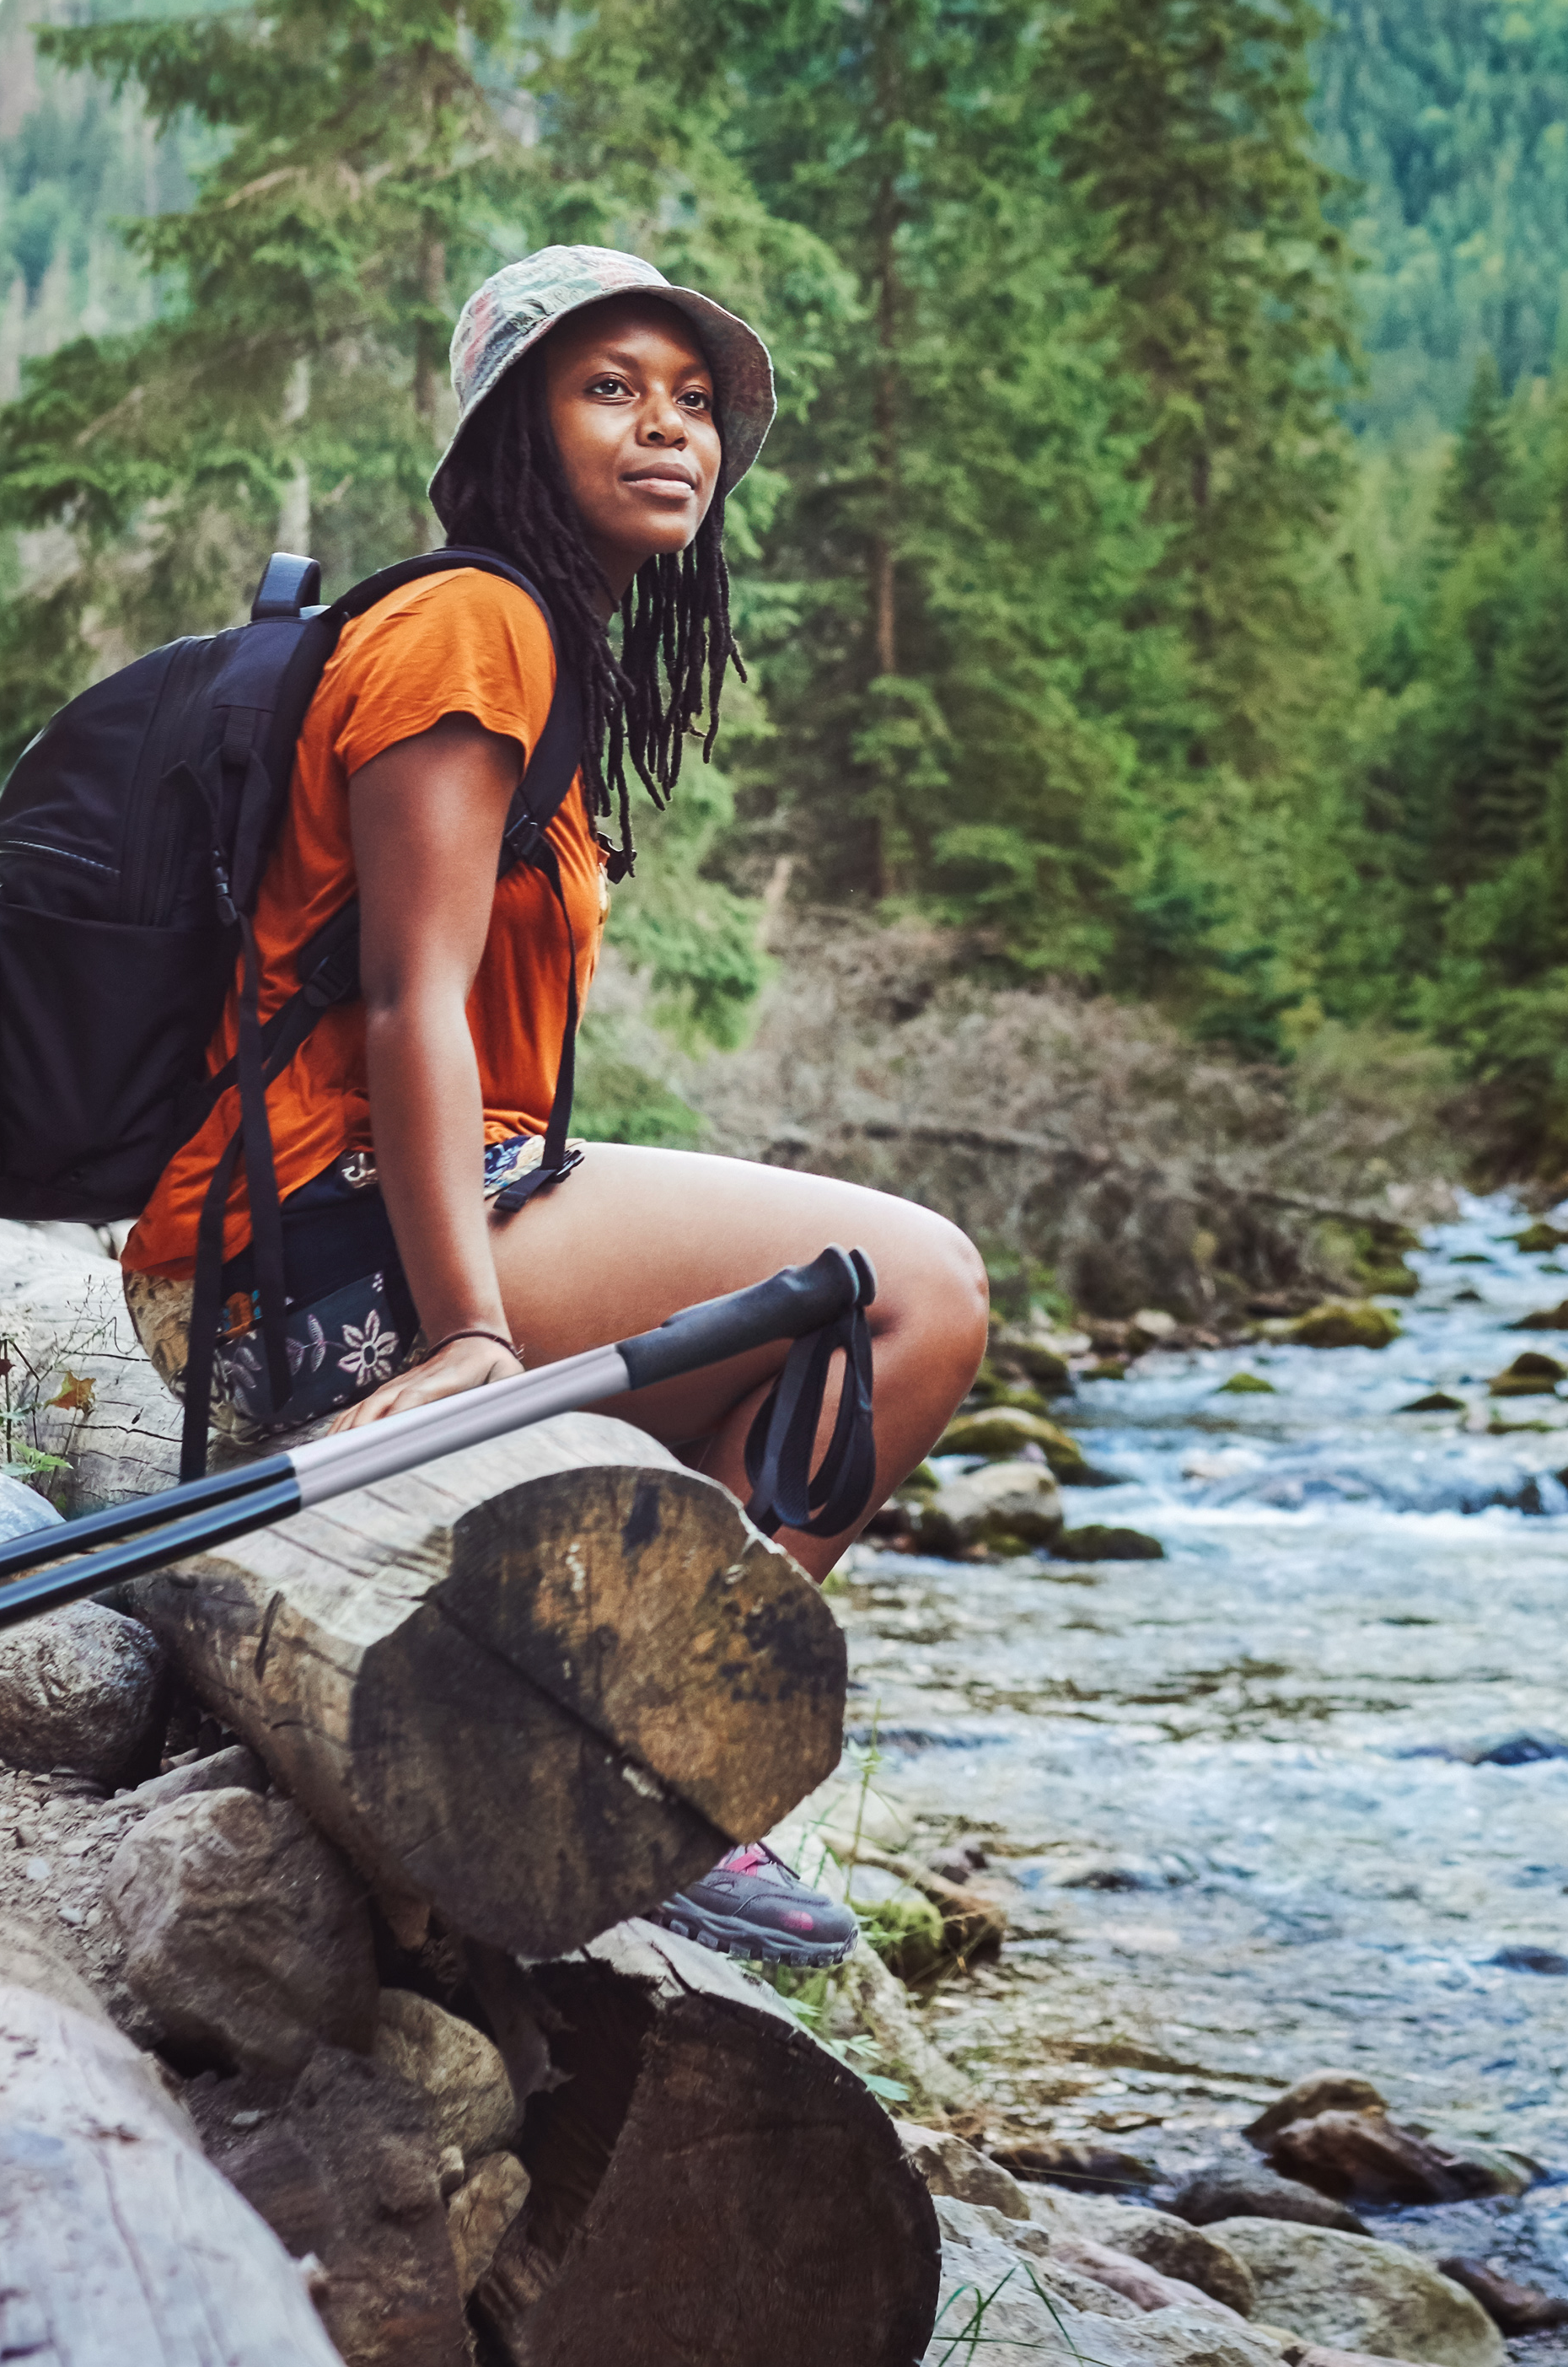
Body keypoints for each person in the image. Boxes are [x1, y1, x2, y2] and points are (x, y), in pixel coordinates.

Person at [115, 242, 989, 1968]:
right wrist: (470, 1337)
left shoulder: (534, 642)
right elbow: (405, 998)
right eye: (611, 388)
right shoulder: (475, 622)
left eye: (693, 401)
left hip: (330, 1242)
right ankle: (668, 1767)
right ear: (513, 426)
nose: (671, 429)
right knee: (922, 1294)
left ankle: (616, 1753)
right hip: (320, 1271)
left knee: (841, 1301)